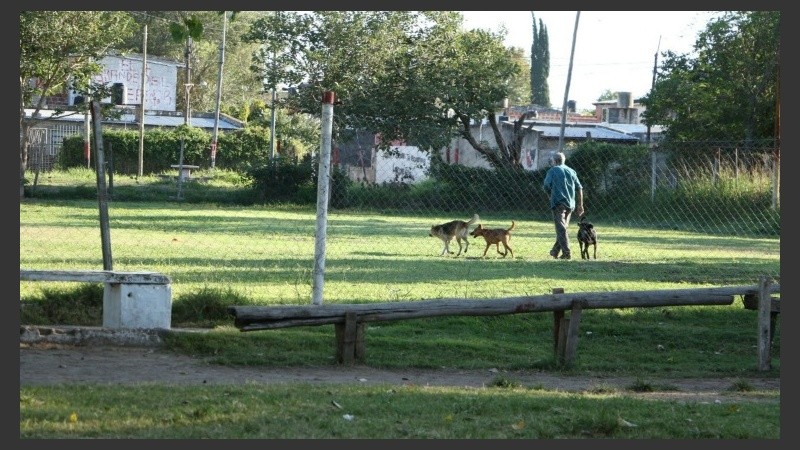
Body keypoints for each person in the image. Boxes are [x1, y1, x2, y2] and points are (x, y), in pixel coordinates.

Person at [543, 151, 584, 260]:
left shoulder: (553, 170)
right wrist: (580, 205)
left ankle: (567, 253)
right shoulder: (571, 171)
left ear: (555, 161)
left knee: (561, 229)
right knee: (563, 228)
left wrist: (549, 195)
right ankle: (555, 251)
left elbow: (546, 185)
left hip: (558, 203)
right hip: (570, 204)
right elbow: (579, 188)